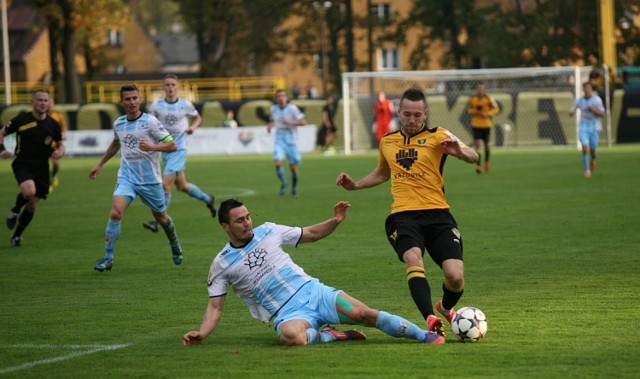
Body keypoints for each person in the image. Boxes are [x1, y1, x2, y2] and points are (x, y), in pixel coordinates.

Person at [182, 199, 445, 346]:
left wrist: (335, 221)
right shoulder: (222, 263)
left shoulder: (269, 231)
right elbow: (215, 307)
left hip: (314, 292)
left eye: (248, 216)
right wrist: (202, 333)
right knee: (289, 337)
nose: (247, 223)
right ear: (225, 227)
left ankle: (425, 336)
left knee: (365, 314)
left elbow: (310, 234)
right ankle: (329, 336)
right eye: (239, 220)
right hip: (287, 313)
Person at [336, 87, 479, 337]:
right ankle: (430, 317)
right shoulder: (387, 141)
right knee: (413, 259)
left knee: (455, 277)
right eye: (407, 115)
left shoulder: (439, 135)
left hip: (438, 215)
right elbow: (382, 172)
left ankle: (444, 307)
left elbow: (474, 156)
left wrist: (460, 152)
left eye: (417, 115)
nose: (412, 120)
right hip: (403, 216)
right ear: (399, 113)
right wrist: (356, 185)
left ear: (425, 114)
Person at [89, 84, 183, 272]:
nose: (131, 102)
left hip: (150, 180)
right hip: (127, 178)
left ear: (140, 99)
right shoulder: (119, 124)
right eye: (127, 99)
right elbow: (116, 144)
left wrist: (152, 147)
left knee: (162, 219)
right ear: (121, 101)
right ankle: (108, 257)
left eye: (134, 98)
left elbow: (172, 145)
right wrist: (100, 164)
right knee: (116, 212)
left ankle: (174, 244)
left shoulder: (151, 122)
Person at [142, 74, 216, 233]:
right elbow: (149, 122)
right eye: (167, 85)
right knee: (182, 186)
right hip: (165, 150)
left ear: (177, 87)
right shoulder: (156, 105)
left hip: (179, 149)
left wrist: (193, 128)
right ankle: (208, 199)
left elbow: (197, 117)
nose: (170, 87)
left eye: (173, 85)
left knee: (164, 185)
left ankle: (158, 220)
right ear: (164, 87)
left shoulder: (185, 104)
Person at [0, 89, 64, 247]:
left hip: (42, 166)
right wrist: (2, 149)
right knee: (29, 192)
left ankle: (16, 236)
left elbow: (60, 143)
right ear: (33, 102)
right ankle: (15, 209)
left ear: (49, 103)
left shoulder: (53, 124)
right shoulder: (21, 120)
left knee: (32, 204)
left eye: (45, 100)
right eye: (39, 100)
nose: (43, 103)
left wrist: (59, 152)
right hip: (23, 162)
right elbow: (2, 133)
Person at [267, 89, 306, 197]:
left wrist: (291, 122)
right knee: (277, 163)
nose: (281, 98)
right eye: (278, 96)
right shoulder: (273, 109)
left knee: (293, 167)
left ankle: (293, 188)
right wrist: (270, 126)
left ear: (286, 98)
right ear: (276, 98)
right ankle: (284, 182)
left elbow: (303, 122)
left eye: (283, 95)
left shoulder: (292, 108)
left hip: (291, 140)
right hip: (279, 139)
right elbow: (272, 120)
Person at [569, 82, 605, 178]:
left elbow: (602, 114)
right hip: (583, 127)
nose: (587, 90)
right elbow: (571, 110)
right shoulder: (579, 101)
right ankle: (587, 171)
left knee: (592, 150)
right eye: (585, 89)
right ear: (583, 90)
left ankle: (593, 160)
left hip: (595, 127)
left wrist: (593, 110)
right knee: (585, 148)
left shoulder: (597, 100)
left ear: (591, 89)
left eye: (589, 88)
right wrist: (572, 112)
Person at [468, 82, 499, 173]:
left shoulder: (489, 98)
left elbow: (496, 109)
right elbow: (469, 109)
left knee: (486, 145)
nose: (480, 90)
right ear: (477, 89)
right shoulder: (473, 99)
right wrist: (472, 112)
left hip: (486, 125)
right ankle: (478, 165)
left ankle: (487, 161)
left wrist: (488, 113)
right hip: (476, 124)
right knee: (477, 144)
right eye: (479, 88)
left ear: (484, 90)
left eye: (482, 89)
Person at [48, 99, 66, 192]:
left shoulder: (57, 115)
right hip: (41, 145)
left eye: (51, 103)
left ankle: (54, 175)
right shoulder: (39, 115)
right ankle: (48, 184)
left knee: (55, 164)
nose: (50, 105)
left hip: (54, 144)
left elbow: (62, 126)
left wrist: (64, 134)